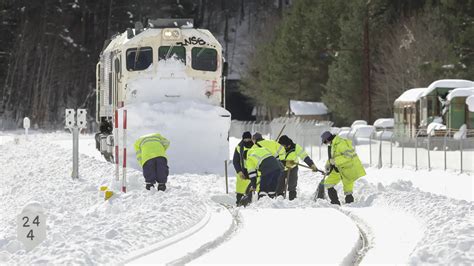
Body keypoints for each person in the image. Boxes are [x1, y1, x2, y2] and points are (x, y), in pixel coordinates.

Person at [320, 131, 366, 205]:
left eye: (325, 142)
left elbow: (348, 156)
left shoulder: (341, 143)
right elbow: (333, 157)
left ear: (328, 139)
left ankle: (350, 205)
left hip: (348, 169)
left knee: (348, 190)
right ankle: (335, 203)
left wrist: (335, 161)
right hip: (338, 168)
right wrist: (328, 164)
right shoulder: (333, 144)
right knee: (328, 183)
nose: (326, 144)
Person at [277, 135, 319, 200]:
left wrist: (311, 165)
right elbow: (275, 158)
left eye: (285, 146)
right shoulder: (278, 147)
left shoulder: (296, 147)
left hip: (293, 168)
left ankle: (292, 200)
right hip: (281, 168)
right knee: (279, 185)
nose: (284, 147)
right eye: (283, 145)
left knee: (292, 185)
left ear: (288, 144)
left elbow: (304, 156)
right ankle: (279, 200)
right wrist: (285, 163)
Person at [232, 131, 254, 205]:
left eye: (248, 139)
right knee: (240, 190)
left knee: (251, 189)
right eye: (245, 140)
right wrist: (239, 172)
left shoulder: (255, 146)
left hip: (252, 171)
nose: (247, 141)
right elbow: (235, 161)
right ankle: (239, 203)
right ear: (243, 139)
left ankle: (249, 204)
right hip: (242, 172)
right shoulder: (239, 147)